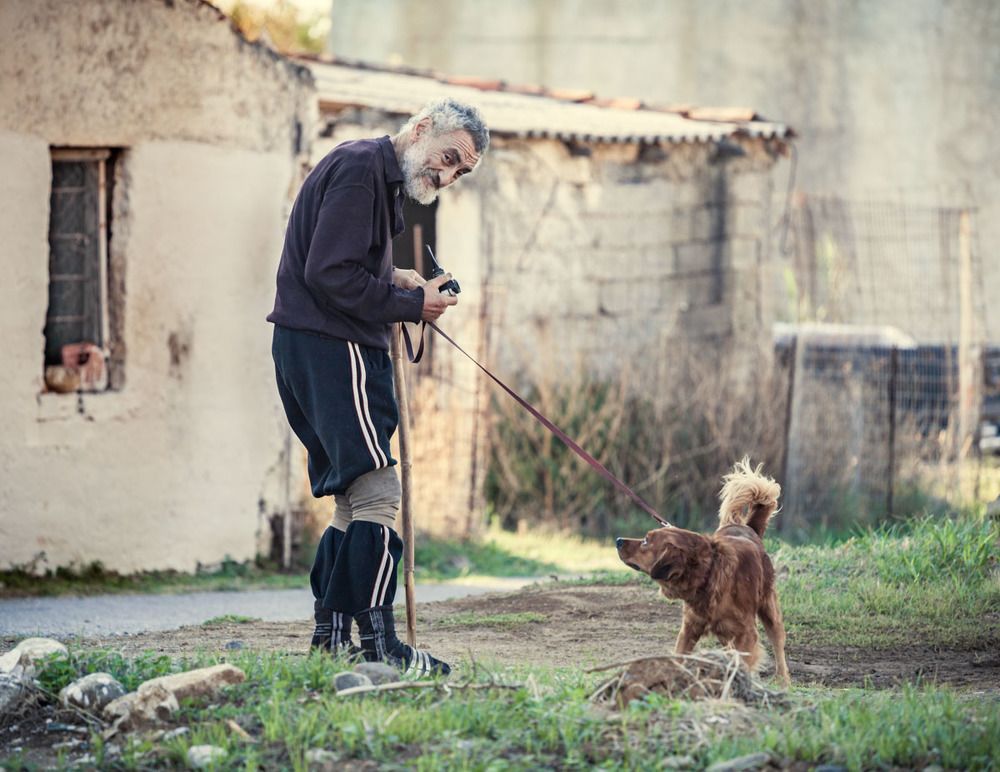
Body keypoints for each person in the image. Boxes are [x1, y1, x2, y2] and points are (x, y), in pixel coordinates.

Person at [267, 99, 489, 677]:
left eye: (458, 172)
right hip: (333, 347)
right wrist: (412, 303)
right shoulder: (364, 170)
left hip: (311, 344)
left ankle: (333, 639)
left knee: (353, 498)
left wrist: (396, 279)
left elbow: (337, 260)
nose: (445, 176)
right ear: (420, 130)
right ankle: (378, 644)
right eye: (446, 159)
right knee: (377, 495)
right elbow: (329, 274)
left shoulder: (369, 173)